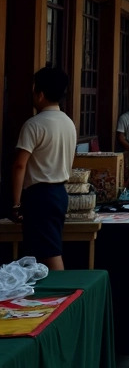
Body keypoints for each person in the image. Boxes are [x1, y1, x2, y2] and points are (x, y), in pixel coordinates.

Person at [11, 67, 76, 270]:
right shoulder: (68, 122)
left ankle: (62, 297)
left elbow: (20, 164)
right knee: (40, 249)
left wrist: (15, 203)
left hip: (40, 194)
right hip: (59, 192)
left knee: (50, 251)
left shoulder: (34, 125)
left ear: (40, 94)